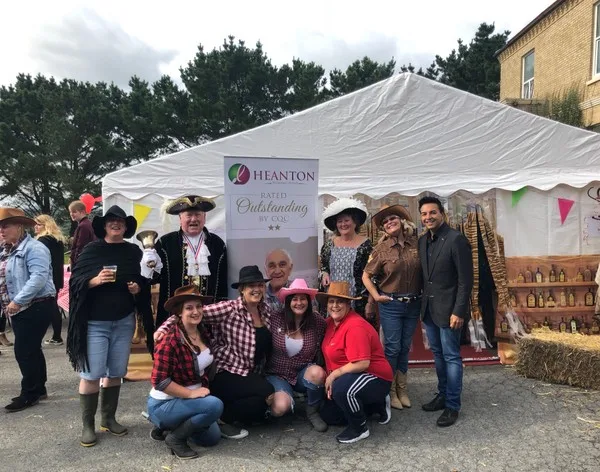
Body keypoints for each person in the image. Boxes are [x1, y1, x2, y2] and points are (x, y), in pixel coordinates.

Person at [155, 265, 275, 439]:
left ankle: (215, 416)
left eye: (260, 285)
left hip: (248, 373)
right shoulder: (228, 309)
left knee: (259, 406)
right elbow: (187, 313)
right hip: (225, 370)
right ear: (242, 289)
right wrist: (163, 329)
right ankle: (210, 416)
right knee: (267, 390)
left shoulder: (266, 311)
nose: (256, 289)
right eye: (251, 286)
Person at [67, 205, 148, 447]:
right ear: (104, 225)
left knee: (116, 372)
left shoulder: (133, 251)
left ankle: (109, 418)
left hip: (124, 320)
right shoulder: (92, 250)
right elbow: (75, 282)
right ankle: (88, 425)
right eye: (111, 220)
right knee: (91, 374)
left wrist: (138, 288)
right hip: (95, 322)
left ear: (126, 227)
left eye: (121, 221)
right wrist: (94, 281)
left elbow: (139, 278)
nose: (116, 224)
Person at [147, 285, 223, 460]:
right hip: (163, 403)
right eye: (189, 308)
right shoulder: (169, 340)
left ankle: (169, 427)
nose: (195, 311)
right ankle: (175, 438)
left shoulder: (203, 332)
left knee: (211, 439)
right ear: (179, 312)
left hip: (189, 401)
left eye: (198, 306)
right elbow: (159, 380)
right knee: (215, 405)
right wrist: (191, 393)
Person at [418, 196, 473, 427]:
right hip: (430, 309)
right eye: (424, 214)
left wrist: (459, 311)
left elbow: (465, 280)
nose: (428, 217)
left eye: (432, 213)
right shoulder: (423, 241)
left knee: (451, 357)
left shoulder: (456, 239)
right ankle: (442, 394)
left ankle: (452, 405)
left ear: (442, 214)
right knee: (438, 355)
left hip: (450, 311)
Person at [317, 281, 393, 444]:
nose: (335, 306)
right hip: (350, 376)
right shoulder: (330, 323)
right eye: (331, 301)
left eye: (340, 301)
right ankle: (375, 405)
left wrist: (333, 376)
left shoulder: (355, 326)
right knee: (329, 415)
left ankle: (359, 428)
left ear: (348, 304)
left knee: (342, 390)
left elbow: (362, 363)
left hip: (374, 375)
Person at [362, 204, 422, 410]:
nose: (389, 222)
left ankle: (402, 388)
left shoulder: (417, 243)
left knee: (405, 348)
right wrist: (376, 296)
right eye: (385, 221)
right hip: (391, 304)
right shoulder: (381, 249)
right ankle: (390, 390)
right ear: (383, 228)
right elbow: (366, 275)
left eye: (392, 218)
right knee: (393, 348)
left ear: (402, 220)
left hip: (413, 303)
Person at [0, 207, 56, 412]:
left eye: (5, 226)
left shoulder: (35, 248)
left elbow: (38, 278)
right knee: (32, 349)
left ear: (19, 226)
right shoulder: (7, 249)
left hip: (35, 305)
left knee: (24, 351)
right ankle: (38, 388)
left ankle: (29, 393)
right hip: (23, 307)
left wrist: (17, 301)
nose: (1, 231)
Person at [145, 195, 227, 330]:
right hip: (173, 316)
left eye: (198, 215)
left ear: (204, 218)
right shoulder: (165, 243)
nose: (193, 219)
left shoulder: (217, 244)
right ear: (180, 219)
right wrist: (147, 263)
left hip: (210, 317)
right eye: (189, 215)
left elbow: (223, 281)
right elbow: (152, 279)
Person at [265, 279, 328, 432]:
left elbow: (332, 335)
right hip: (276, 374)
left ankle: (312, 411)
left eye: (303, 298)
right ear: (288, 301)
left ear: (308, 301)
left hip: (301, 373)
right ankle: (274, 405)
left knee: (318, 373)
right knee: (280, 408)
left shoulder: (317, 322)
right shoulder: (275, 318)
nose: (299, 303)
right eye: (294, 298)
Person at [320, 198, 372, 316]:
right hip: (333, 298)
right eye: (339, 221)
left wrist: (370, 302)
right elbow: (323, 266)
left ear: (355, 222)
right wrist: (324, 273)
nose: (343, 224)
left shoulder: (366, 245)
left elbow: (372, 274)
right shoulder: (329, 244)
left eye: (346, 220)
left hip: (357, 299)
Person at [34, 214, 66, 346]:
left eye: (38, 224)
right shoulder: (57, 239)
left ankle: (55, 336)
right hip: (57, 276)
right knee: (53, 306)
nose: (35, 227)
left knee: (46, 307)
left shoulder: (43, 241)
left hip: (46, 277)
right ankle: (56, 335)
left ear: (46, 225)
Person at [69, 200, 96, 269]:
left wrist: (75, 262)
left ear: (83, 212)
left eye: (74, 212)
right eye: (70, 212)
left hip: (82, 263)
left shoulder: (83, 226)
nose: (71, 214)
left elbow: (81, 246)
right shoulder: (88, 224)